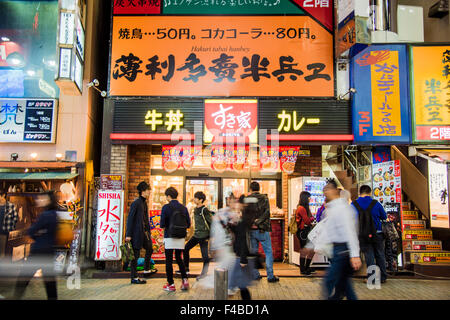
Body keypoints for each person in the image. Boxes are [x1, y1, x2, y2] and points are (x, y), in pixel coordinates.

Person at [322, 179, 362, 300]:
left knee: (329, 281)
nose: (325, 191)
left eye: (328, 188)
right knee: (344, 285)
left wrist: (355, 255)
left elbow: (350, 232)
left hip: (343, 250)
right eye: (325, 189)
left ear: (335, 190)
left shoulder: (343, 208)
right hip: (337, 250)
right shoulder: (331, 208)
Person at [14, 191, 58, 300]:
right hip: (49, 251)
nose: (39, 200)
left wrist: (37, 236)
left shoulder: (44, 215)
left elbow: (32, 231)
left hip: (38, 251)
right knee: (50, 282)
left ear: (48, 200)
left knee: (23, 277)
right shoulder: (54, 214)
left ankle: (16, 296)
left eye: (42, 198)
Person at [352, 185, 388, 284]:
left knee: (369, 256)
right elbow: (384, 217)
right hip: (377, 233)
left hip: (363, 234)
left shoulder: (354, 204)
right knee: (380, 254)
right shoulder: (376, 203)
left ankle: (371, 278)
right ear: (370, 192)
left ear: (360, 193)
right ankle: (383, 277)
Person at [247, 181, 279, 283]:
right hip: (263, 229)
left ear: (250, 189)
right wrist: (259, 221)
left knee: (253, 252)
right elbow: (267, 212)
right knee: (268, 252)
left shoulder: (247, 199)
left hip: (251, 230)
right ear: (259, 188)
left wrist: (253, 222)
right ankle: (270, 276)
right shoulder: (264, 198)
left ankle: (255, 275)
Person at [160, 187, 190, 292]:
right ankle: (185, 280)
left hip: (169, 236)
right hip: (180, 237)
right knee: (179, 259)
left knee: (168, 260)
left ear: (168, 196)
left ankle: (171, 284)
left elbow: (162, 224)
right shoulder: (183, 208)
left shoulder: (166, 207)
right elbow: (189, 224)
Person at [125, 181, 156, 285]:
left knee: (150, 248)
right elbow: (130, 219)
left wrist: (149, 232)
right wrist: (128, 235)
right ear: (143, 191)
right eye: (148, 191)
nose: (149, 192)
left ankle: (146, 270)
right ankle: (134, 277)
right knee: (135, 255)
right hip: (135, 234)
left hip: (144, 233)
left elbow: (146, 219)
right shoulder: (136, 203)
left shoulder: (144, 203)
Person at [228, 195, 255, 300]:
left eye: (238, 202)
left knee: (240, 283)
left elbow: (243, 239)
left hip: (242, 255)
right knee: (241, 284)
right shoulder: (243, 219)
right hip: (240, 254)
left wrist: (243, 259)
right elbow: (238, 232)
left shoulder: (244, 220)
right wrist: (231, 224)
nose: (236, 204)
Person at [182, 191, 212, 280]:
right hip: (196, 235)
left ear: (201, 200)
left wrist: (211, 236)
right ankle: (186, 268)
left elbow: (211, 222)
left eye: (196, 198)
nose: (194, 199)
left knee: (205, 257)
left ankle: (204, 274)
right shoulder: (195, 209)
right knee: (186, 248)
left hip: (204, 237)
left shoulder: (204, 210)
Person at [295, 191, 316, 275]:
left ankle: (306, 267)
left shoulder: (305, 207)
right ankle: (303, 269)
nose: (309, 199)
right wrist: (311, 219)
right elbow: (307, 220)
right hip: (303, 232)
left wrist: (310, 218)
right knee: (304, 250)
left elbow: (310, 217)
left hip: (306, 231)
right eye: (308, 198)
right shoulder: (301, 208)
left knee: (310, 249)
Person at [0, 188, 18, 258]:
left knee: (2, 254)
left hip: (4, 233)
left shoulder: (11, 206)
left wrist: (11, 228)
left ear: (3, 195)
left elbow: (15, 218)